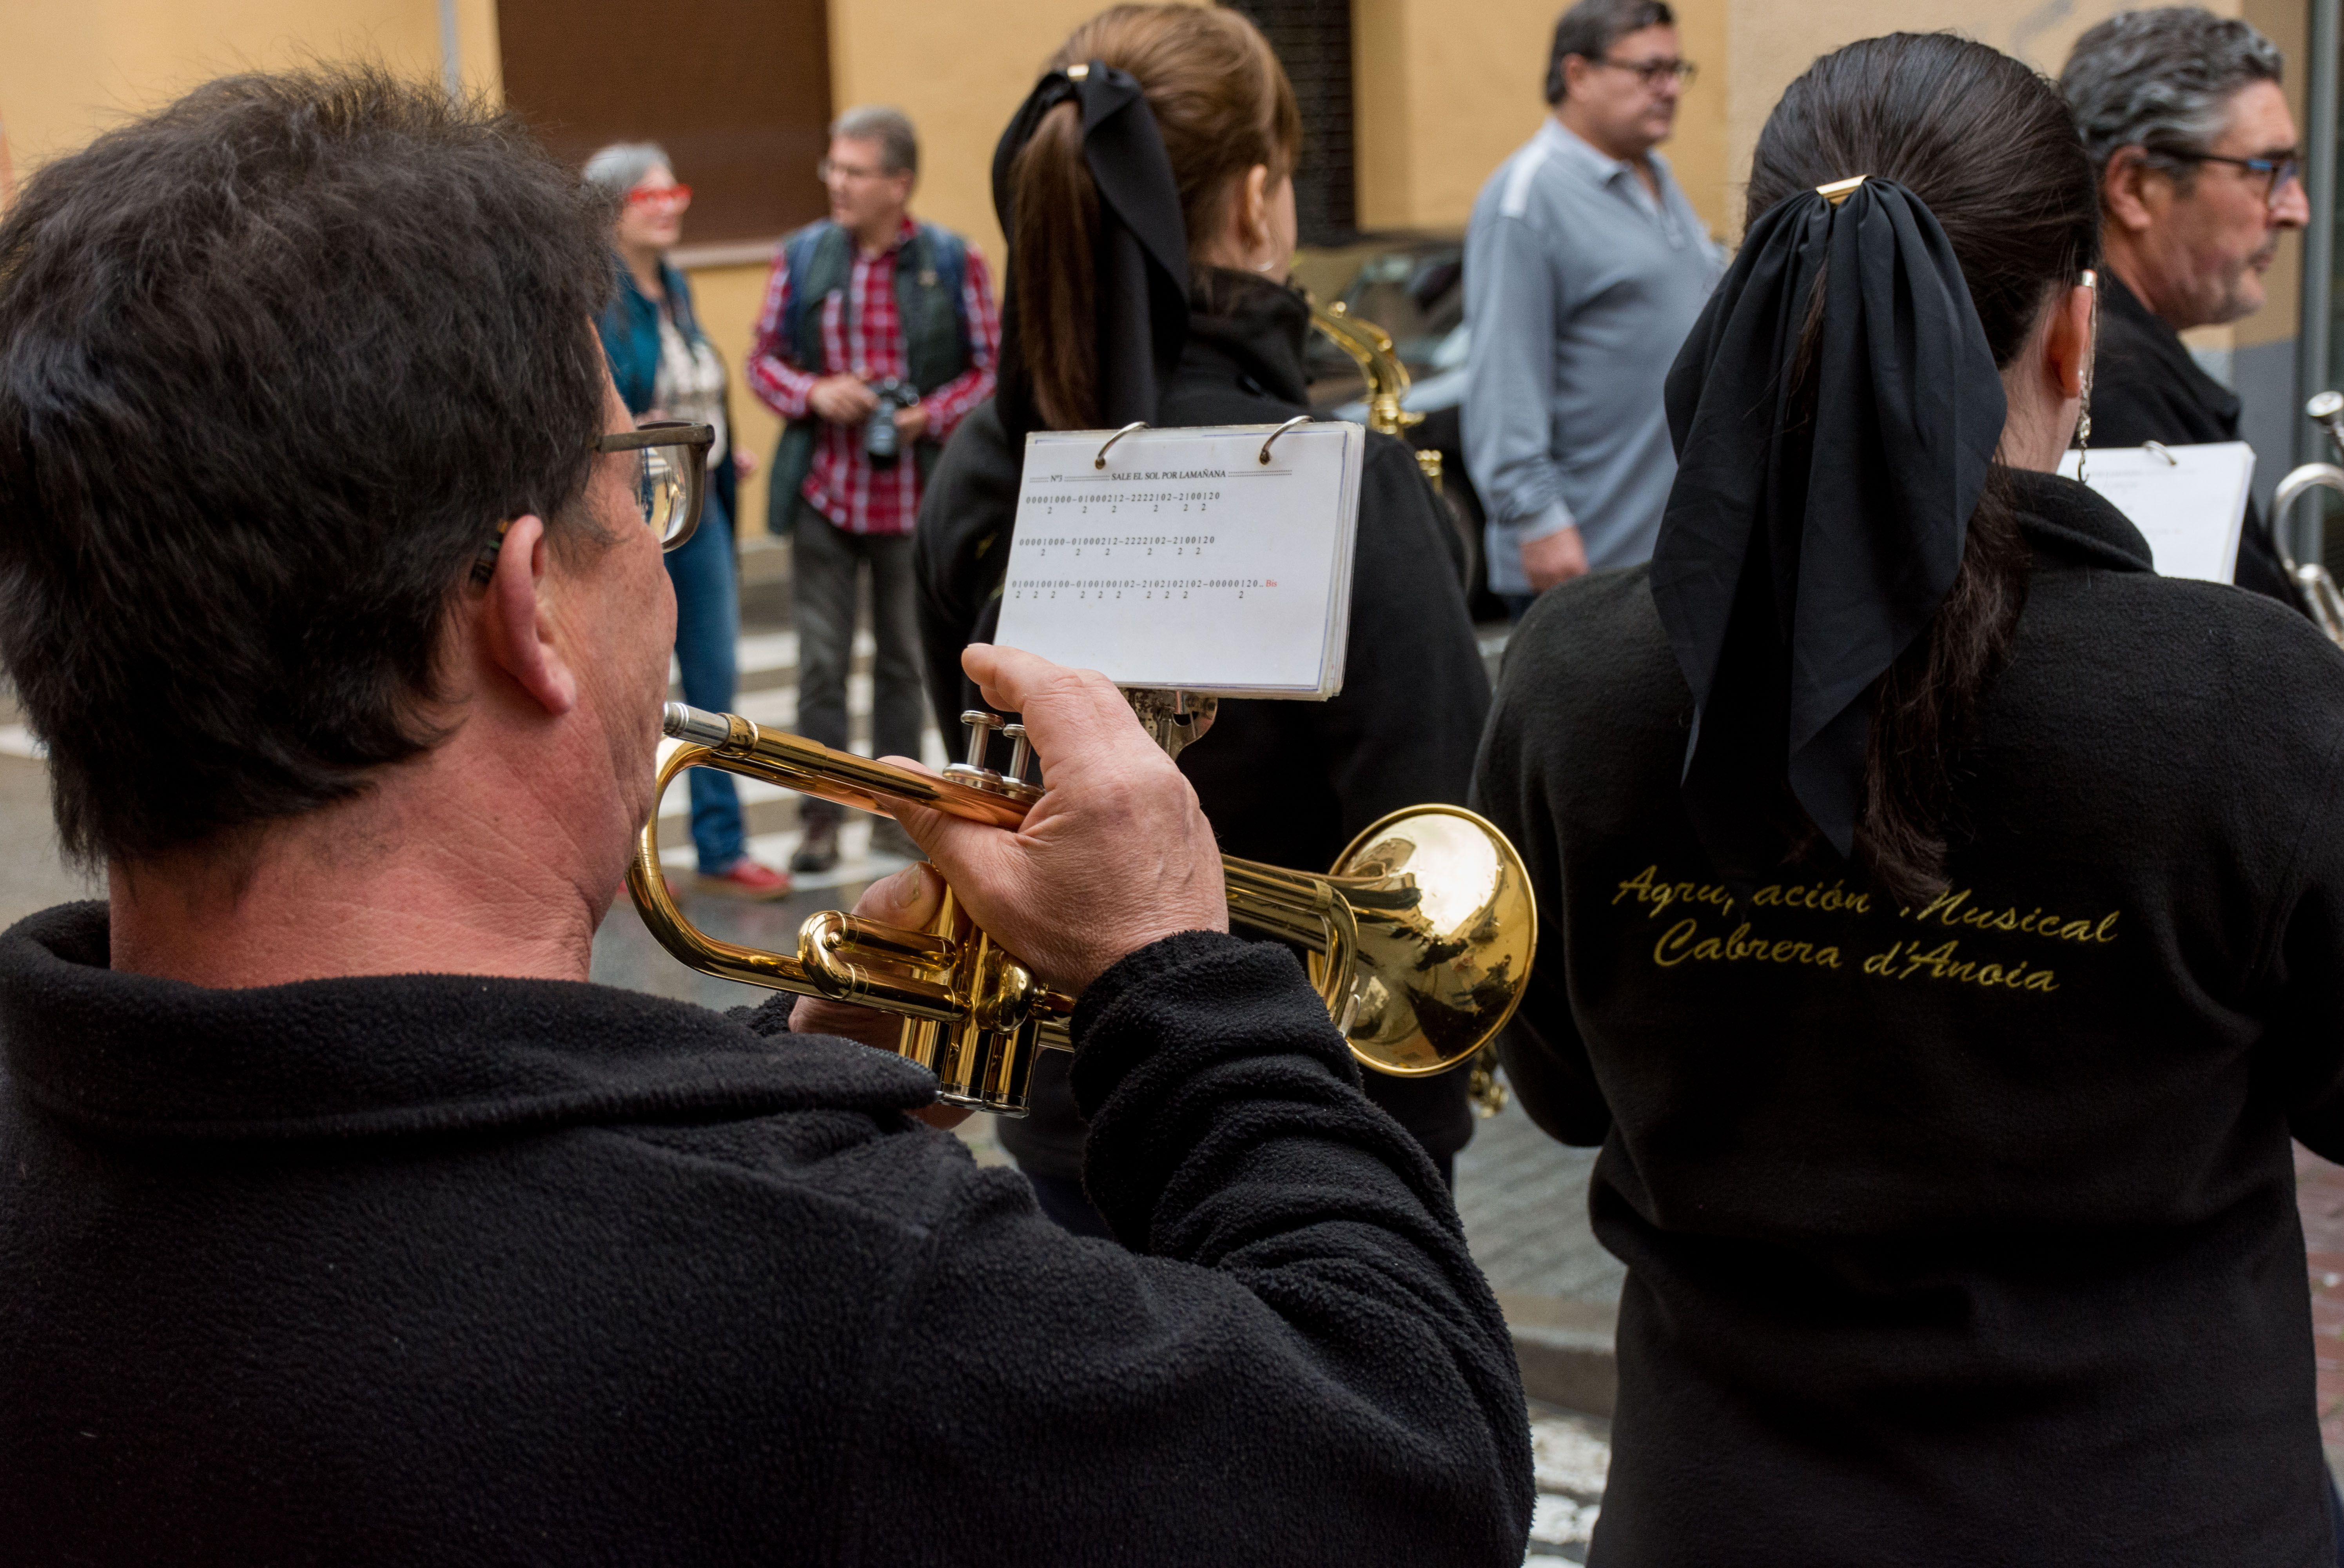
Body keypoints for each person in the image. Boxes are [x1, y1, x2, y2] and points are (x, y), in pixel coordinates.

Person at [0, 68, 1538, 1564]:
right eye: (649, 494)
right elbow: (1420, 1458)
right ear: (531, 610)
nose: (667, 570)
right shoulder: (852, 1296)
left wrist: (765, 1088)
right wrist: (1181, 980)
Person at [1474, 31, 2344, 1564]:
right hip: (2163, 1516)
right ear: (2076, 339)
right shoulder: (2248, 694)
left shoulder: (1571, 677)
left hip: (1718, 1517)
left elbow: (1557, 1087)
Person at [915, 4, 1494, 1238]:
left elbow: (987, 790)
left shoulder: (979, 466)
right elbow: (1435, 832)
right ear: (1255, 199)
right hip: (1301, 1136)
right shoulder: (1340, 482)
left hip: (1068, 1118)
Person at [747, 106, 998, 875]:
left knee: (904, 665)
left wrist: (930, 414)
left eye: (856, 171)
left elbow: (992, 371)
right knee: (821, 666)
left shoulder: (955, 261)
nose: (838, 183)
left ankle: (897, 815)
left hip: (913, 500)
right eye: (834, 167)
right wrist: (817, 393)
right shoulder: (804, 255)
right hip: (826, 491)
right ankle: (819, 818)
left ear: (900, 183)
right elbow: (763, 360)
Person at [1460, 0, 1719, 617]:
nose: (1668, 89)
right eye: (1649, 70)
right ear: (1577, 75)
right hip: (1583, 562)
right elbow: (1503, 378)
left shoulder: (1657, 177)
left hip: (1668, 555)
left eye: (1677, 70)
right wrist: (1537, 517)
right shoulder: (1527, 199)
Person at [586, 141, 789, 899]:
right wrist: (651, 431)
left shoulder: (675, 286)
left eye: (677, 192)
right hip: (633, 516)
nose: (671, 206)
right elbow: (600, 411)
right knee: (631, 684)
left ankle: (720, 846)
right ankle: (618, 857)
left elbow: (698, 392)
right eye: (650, 197)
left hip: (700, 508)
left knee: (714, 684)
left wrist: (717, 451)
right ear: (611, 210)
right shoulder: (599, 299)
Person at [2059, 7, 2308, 612]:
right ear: (2135, 186)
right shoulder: (2105, 384)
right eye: (2268, 171)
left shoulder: (2099, 351)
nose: (2296, 209)